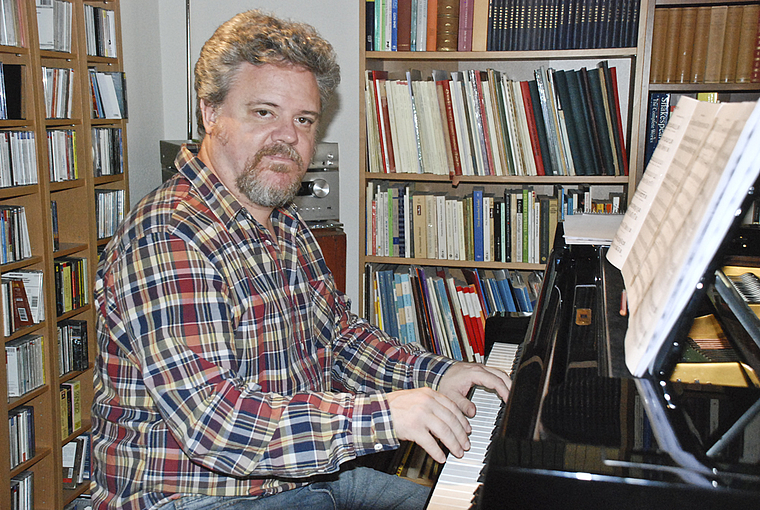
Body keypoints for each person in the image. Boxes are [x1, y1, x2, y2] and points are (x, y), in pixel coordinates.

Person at [91, 10, 511, 510]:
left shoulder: (286, 224)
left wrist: (436, 374)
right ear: (210, 113)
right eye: (264, 112)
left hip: (298, 481)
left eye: (304, 119)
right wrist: (385, 416)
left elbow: (339, 339)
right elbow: (215, 422)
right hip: (191, 497)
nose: (288, 137)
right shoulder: (168, 234)